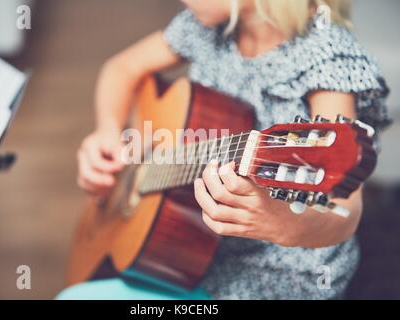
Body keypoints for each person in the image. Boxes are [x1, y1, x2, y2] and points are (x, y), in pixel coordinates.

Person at [59, 0, 390, 300]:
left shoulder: (329, 55)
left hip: (282, 274)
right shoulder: (207, 25)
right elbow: (120, 69)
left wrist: (278, 222)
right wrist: (107, 132)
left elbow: (345, 212)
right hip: (194, 249)